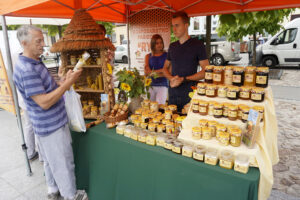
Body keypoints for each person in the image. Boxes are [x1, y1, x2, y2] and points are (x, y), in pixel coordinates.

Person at [13, 25, 86, 200]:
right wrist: (68, 84)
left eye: (42, 40)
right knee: (62, 163)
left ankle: (53, 190)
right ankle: (71, 195)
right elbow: (44, 102)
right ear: (24, 43)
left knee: (50, 160)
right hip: (51, 125)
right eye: (38, 41)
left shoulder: (34, 62)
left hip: (45, 124)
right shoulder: (27, 70)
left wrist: (62, 81)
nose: (43, 45)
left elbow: (46, 89)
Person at [162, 11, 209, 112]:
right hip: (173, 94)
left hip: (189, 94)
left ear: (186, 25)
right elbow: (165, 68)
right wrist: (172, 78)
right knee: (171, 123)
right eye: (173, 26)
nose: (174, 29)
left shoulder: (198, 45)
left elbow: (206, 71)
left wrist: (184, 79)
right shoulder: (172, 46)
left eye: (177, 25)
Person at [144, 34, 168, 104]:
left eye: (161, 43)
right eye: (157, 43)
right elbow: (147, 72)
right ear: (153, 44)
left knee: (160, 107)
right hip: (150, 86)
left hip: (162, 85)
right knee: (151, 108)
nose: (159, 45)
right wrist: (162, 71)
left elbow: (168, 72)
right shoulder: (148, 56)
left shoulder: (167, 55)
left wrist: (152, 72)